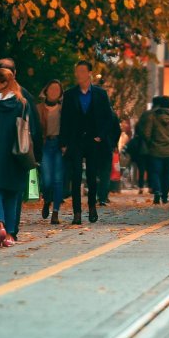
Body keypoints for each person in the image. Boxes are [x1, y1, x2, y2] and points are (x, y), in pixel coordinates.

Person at [0, 68, 31, 247]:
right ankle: (10, 234)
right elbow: (28, 128)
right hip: (16, 152)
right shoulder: (22, 103)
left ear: (4, 83)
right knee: (12, 192)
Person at [61, 60, 113, 223]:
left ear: (90, 73)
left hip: (93, 140)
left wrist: (101, 136)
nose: (79, 74)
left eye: (83, 71)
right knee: (75, 176)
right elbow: (65, 119)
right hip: (76, 139)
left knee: (91, 176)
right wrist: (64, 142)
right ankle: (76, 212)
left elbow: (108, 117)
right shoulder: (70, 94)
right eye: (77, 71)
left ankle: (92, 207)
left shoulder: (100, 94)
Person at [140, 95, 169, 204]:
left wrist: (151, 143)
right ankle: (165, 197)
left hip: (155, 150)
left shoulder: (153, 117)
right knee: (166, 173)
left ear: (160, 104)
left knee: (155, 172)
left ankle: (157, 191)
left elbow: (146, 133)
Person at [36, 80, 65, 224]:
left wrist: (66, 144)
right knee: (46, 180)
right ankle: (47, 199)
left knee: (58, 180)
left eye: (57, 90)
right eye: (51, 89)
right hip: (45, 145)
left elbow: (68, 127)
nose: (54, 92)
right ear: (46, 91)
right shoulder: (39, 108)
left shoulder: (63, 109)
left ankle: (56, 212)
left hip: (59, 145)